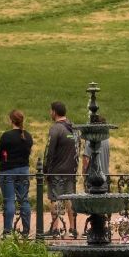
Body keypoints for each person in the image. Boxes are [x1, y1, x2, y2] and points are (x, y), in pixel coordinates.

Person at [43, 101, 79, 237]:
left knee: (55, 199)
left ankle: (55, 229)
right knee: (70, 198)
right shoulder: (74, 128)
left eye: (50, 111)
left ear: (54, 112)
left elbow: (49, 151)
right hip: (71, 170)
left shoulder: (56, 129)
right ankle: (73, 229)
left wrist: (46, 170)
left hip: (57, 171)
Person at [0, 109, 33, 237]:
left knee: (9, 200)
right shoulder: (27, 136)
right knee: (24, 200)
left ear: (11, 120)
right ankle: (26, 230)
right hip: (24, 169)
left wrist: (3, 162)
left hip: (8, 170)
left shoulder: (7, 136)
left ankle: (8, 230)